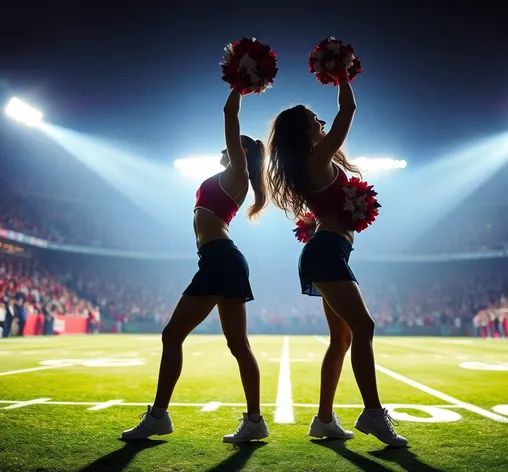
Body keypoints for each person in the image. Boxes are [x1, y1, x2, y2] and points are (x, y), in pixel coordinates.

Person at [266, 74, 407, 447]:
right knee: (364, 327)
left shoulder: (312, 163)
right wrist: (342, 73)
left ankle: (324, 420)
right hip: (327, 253)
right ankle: (373, 414)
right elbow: (348, 109)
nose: (320, 121)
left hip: (330, 251)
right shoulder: (317, 158)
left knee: (342, 338)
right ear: (304, 128)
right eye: (314, 117)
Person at [122, 88, 270, 443]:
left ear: (242, 150)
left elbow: (229, 118)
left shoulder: (238, 171)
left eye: (231, 146)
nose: (222, 149)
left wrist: (238, 86)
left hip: (220, 259)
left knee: (172, 335)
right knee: (239, 346)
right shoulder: (233, 176)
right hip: (222, 259)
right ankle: (254, 421)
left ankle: (158, 416)